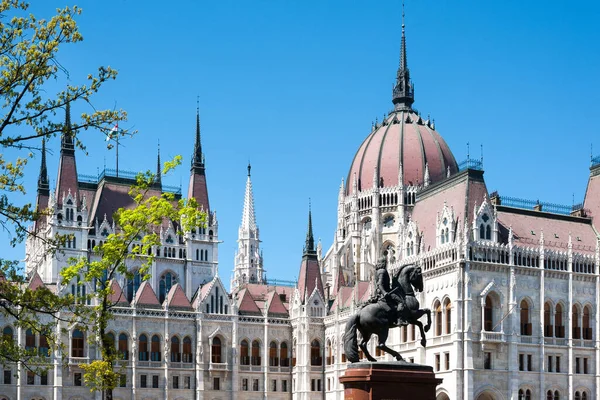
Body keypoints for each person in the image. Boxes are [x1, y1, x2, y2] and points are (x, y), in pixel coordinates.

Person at [371, 256, 406, 326]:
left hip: (378, 293)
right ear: (384, 263)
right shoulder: (382, 271)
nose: (386, 264)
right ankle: (399, 320)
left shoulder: (377, 271)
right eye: (386, 262)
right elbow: (380, 284)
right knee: (401, 302)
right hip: (383, 293)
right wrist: (384, 292)